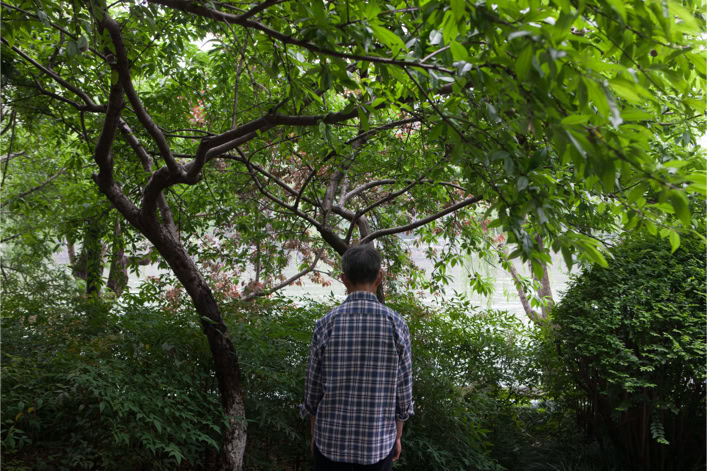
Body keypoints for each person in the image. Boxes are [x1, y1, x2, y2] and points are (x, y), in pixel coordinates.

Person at [300, 244, 414, 471]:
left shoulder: (326, 324)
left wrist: (314, 434)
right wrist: (398, 436)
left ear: (344, 279)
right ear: (379, 278)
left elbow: (312, 391)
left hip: (330, 443)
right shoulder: (396, 324)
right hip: (378, 444)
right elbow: (404, 392)